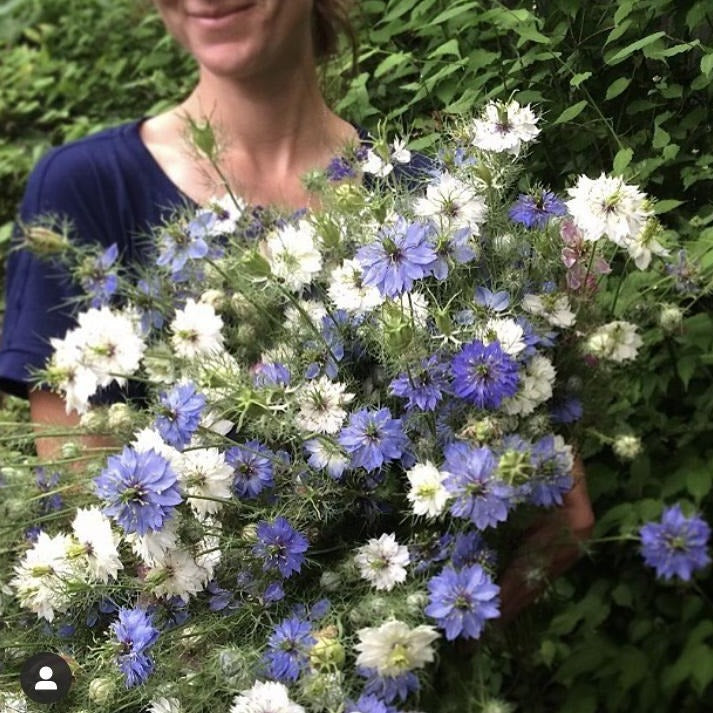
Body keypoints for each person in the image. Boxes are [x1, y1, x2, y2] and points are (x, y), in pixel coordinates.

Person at [0, 0, 593, 619]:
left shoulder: (435, 206)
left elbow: (554, 505)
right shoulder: (86, 189)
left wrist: (452, 621)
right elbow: (92, 531)